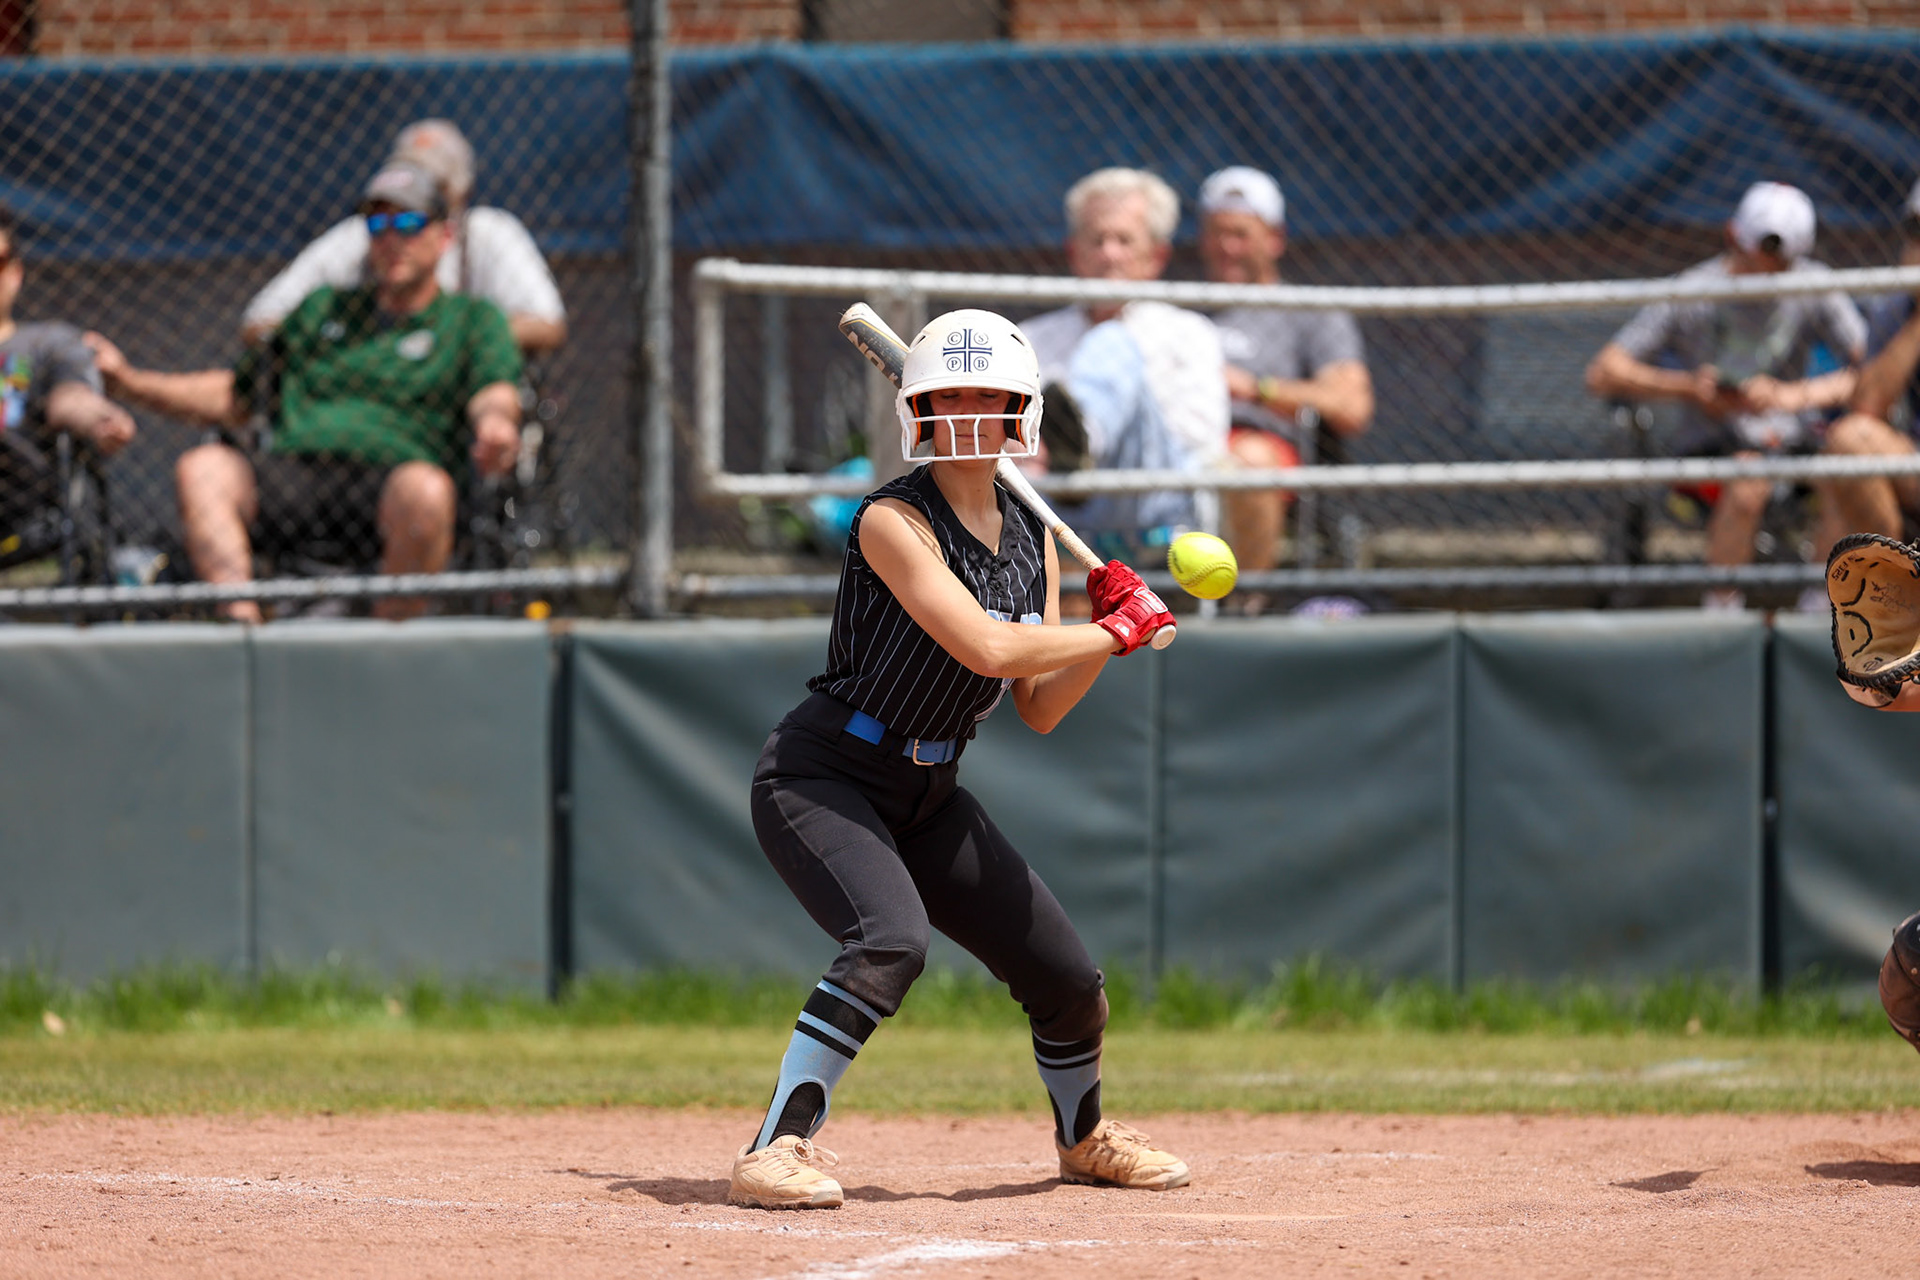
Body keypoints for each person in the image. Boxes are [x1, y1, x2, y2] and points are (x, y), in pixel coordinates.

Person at [727, 308, 1189, 1210]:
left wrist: (1104, 638)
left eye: (991, 396)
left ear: (1023, 411)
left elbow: (1041, 706)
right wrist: (1110, 630)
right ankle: (774, 1148)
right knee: (890, 941)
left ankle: (1083, 1137)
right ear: (918, 411)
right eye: (950, 396)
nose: (971, 411)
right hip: (825, 775)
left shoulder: (1033, 539)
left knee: (1066, 978)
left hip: (929, 792)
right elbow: (983, 647)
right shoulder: (891, 520)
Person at [87, 161, 523, 623]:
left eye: (409, 223)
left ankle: (387, 654)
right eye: (377, 224)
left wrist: (496, 425)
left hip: (392, 482)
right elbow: (234, 398)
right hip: (298, 475)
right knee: (203, 468)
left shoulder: (473, 319)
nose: (391, 238)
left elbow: (493, 391)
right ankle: (244, 635)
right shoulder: (322, 309)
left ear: (445, 236)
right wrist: (128, 381)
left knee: (427, 491)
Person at [1585, 180, 1866, 610]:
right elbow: (1603, 372)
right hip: (1711, 450)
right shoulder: (1694, 289)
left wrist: (1793, 396)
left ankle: (1822, 606)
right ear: (1734, 235)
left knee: (1845, 466)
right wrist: (1689, 388)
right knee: (1747, 478)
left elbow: (1871, 369)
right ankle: (1722, 615)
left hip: (1791, 444)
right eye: (1762, 256)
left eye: (1782, 263)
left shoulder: (1813, 284)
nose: (1769, 272)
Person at [1019, 168, 1229, 559]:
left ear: (1156, 256)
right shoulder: (1028, 338)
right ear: (1074, 251)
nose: (1109, 253)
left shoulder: (1189, 332)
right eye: (1097, 240)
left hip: (1153, 500)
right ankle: (1073, 455)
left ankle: (1085, 439)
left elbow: (1201, 441)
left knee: (1111, 340)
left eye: (1123, 240)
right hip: (1054, 502)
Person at [242, 119, 567, 355]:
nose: (395, 236)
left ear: (459, 193)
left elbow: (547, 324)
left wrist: (439, 339)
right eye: (408, 180)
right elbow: (261, 319)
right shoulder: (365, 233)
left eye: (432, 187)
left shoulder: (489, 233)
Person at [1198, 166, 1374, 586]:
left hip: (1266, 450)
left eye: (1240, 234)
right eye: (1216, 233)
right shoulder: (1182, 311)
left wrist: (1257, 389)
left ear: (1273, 239)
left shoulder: (1310, 312)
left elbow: (1353, 407)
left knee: (1249, 461)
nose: (1227, 247)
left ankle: (1245, 605)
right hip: (1181, 445)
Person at [0, 203, 136, 547]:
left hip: (16, 505)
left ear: (15, 271)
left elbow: (71, 397)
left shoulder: (48, 344)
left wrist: (100, 418)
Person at [1815, 179, 1920, 551]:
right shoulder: (1898, 308)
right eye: (1917, 230)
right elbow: (1868, 406)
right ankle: (1899, 585)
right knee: (1848, 441)